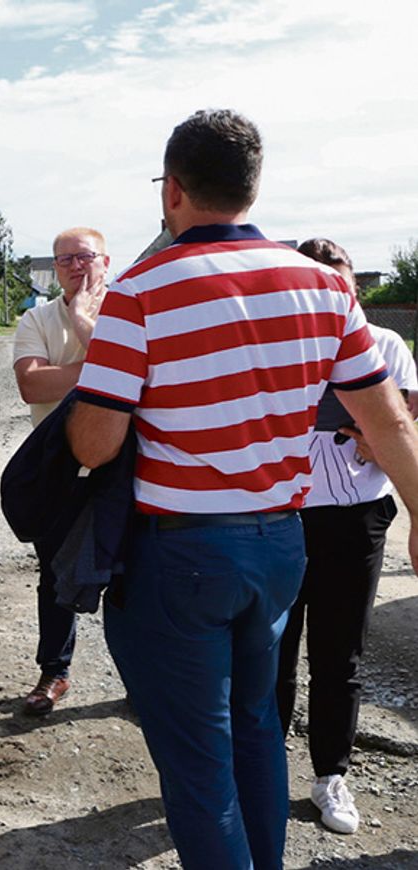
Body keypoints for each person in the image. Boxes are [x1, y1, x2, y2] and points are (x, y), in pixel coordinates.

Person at [67, 108, 418, 869]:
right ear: (252, 190)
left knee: (197, 762)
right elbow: (388, 423)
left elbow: (96, 444)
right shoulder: (324, 287)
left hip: (182, 553)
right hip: (279, 545)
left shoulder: (141, 290)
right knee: (257, 727)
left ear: (171, 191)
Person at [275, 238, 418, 835]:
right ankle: (259, 765)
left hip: (357, 514)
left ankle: (330, 775)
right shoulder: (279, 345)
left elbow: (406, 420)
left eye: (342, 283)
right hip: (283, 514)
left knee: (340, 654)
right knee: (271, 651)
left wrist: (375, 435)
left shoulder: (385, 346)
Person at [12, 226, 109, 715]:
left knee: (133, 575)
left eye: (84, 256)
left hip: (123, 466)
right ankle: (55, 672)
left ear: (105, 262)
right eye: (64, 259)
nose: (75, 266)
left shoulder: (130, 313)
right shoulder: (37, 318)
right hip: (58, 467)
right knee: (55, 574)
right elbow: (31, 386)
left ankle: (140, 679)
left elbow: (152, 379)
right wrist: (109, 369)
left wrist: (85, 328)